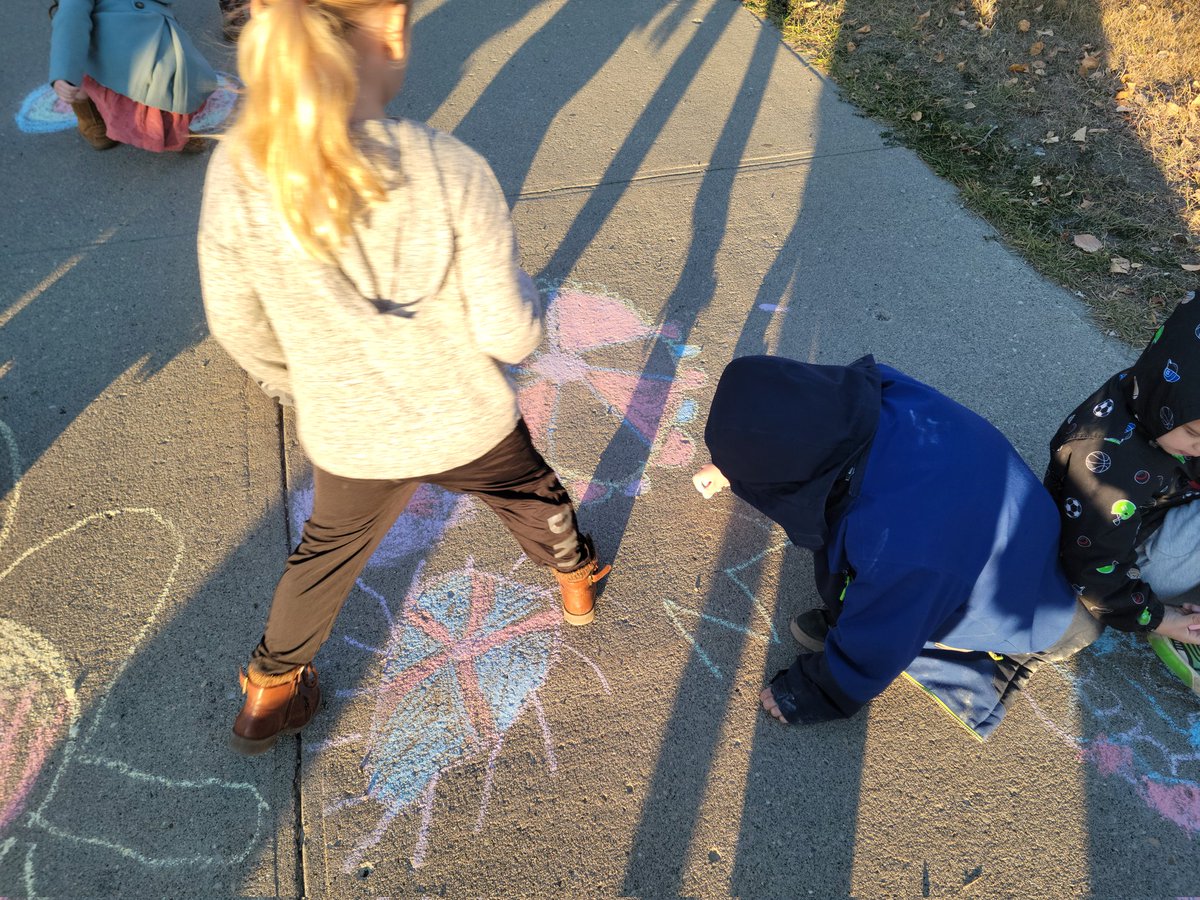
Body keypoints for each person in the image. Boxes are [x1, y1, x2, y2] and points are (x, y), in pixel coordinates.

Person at [198, 0, 609, 756]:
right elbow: (507, 330)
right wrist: (531, 316)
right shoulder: (449, 167)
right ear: (389, 26)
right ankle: (576, 578)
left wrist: (309, 381)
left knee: (324, 555)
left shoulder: (241, 168)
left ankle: (269, 690)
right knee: (528, 493)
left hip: (351, 436)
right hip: (466, 417)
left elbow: (236, 324)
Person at [692, 355, 1080, 739]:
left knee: (878, 603)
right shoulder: (883, 394)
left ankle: (977, 649)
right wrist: (737, 467)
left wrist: (819, 689)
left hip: (1032, 611)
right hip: (1022, 525)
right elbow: (791, 423)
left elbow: (878, 640)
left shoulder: (894, 547)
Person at [1044, 293, 1200, 689]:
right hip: (1131, 564)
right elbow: (1095, 574)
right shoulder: (1111, 471)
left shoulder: (1153, 391)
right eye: (1195, 434)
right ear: (1168, 401)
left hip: (1155, 512)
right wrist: (1165, 620)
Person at [48, 0, 219, 153]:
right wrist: (64, 74)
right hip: (108, 52)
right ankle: (90, 120)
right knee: (75, 77)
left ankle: (174, 132)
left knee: (173, 81)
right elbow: (70, 23)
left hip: (151, 33)